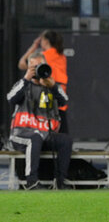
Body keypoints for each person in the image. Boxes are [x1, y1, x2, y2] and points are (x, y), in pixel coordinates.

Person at [7, 52, 72, 190]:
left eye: (40, 66)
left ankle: (60, 182)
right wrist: (26, 79)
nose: (37, 70)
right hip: (21, 133)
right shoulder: (22, 84)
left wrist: (53, 86)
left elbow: (64, 101)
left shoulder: (50, 86)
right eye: (34, 67)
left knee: (65, 140)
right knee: (35, 138)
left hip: (44, 134)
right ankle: (32, 182)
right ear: (28, 68)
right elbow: (11, 98)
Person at [18, 30, 69, 133]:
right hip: (59, 92)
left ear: (45, 41)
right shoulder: (62, 56)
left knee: (44, 124)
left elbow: (22, 64)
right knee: (62, 128)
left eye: (41, 40)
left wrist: (34, 45)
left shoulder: (42, 56)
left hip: (47, 91)